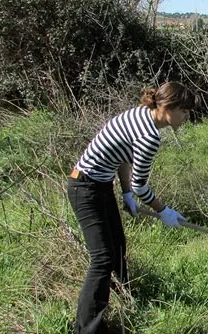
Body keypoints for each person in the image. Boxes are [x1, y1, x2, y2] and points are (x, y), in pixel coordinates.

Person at [67, 81, 196, 333]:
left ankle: (125, 299)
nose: (186, 117)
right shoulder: (150, 136)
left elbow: (123, 157)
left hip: (99, 185)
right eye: (184, 111)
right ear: (168, 107)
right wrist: (163, 210)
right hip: (85, 188)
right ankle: (86, 329)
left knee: (117, 245)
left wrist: (125, 192)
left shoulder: (140, 114)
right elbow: (141, 186)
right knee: (102, 259)